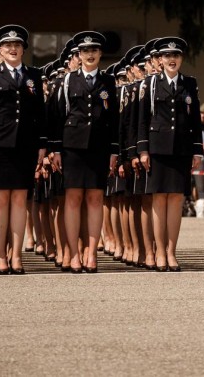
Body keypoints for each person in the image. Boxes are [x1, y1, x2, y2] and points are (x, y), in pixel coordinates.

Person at [0, 24, 48, 274]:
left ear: (23, 49)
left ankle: (16, 256)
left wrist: (42, 144)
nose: (13, 49)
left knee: (19, 201)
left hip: (25, 146)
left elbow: (40, 113)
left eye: (17, 45)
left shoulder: (33, 75)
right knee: (0, 202)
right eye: (8, 45)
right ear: (0, 50)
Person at [50, 31, 119, 273]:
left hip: (99, 147)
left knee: (95, 199)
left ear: (100, 54)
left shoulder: (109, 82)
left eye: (94, 50)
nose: (90, 54)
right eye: (85, 51)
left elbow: (114, 119)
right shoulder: (67, 81)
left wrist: (114, 151)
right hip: (72, 147)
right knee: (73, 199)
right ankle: (73, 252)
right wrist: (56, 149)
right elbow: (57, 118)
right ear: (79, 55)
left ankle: (91, 252)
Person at [137, 37, 204, 272]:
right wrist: (143, 150)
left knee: (176, 200)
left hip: (182, 149)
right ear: (160, 60)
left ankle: (171, 251)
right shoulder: (150, 84)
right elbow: (142, 119)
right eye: (167, 56)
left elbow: (195, 120)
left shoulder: (190, 83)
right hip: (157, 149)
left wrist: (197, 150)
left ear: (181, 59)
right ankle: (158, 251)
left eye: (175, 56)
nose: (171, 59)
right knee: (158, 200)